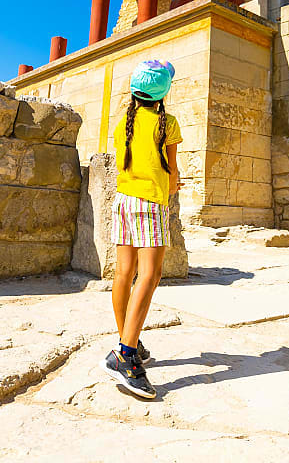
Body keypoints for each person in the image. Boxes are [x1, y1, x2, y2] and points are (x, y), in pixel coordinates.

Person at [100, 60, 182, 399]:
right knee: (150, 274)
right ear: (162, 92)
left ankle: (127, 340)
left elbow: (125, 163)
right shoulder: (169, 124)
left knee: (124, 273)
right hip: (150, 203)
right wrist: (172, 185)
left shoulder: (124, 125)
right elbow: (173, 172)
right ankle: (126, 354)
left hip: (123, 201)